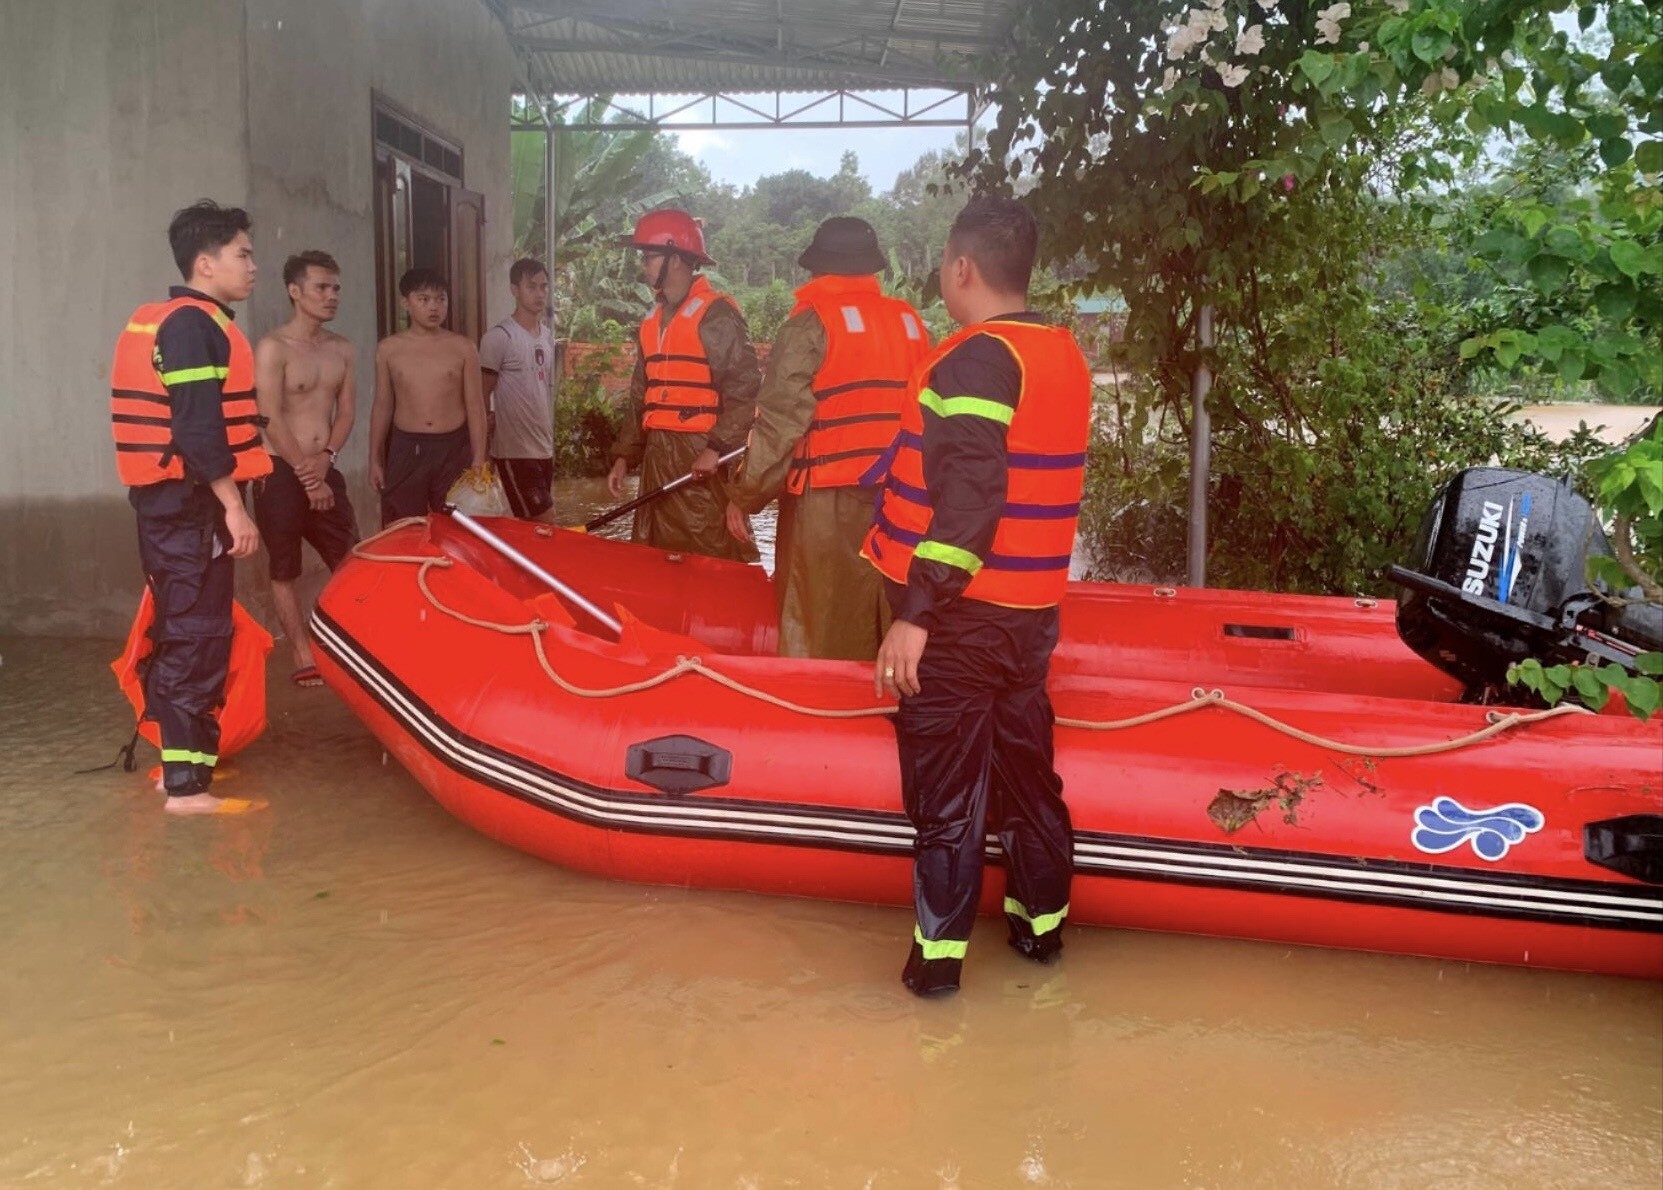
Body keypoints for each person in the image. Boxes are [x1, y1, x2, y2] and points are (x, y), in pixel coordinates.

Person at [862, 196, 1093, 997]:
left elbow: (970, 499)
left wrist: (915, 615)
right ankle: (1040, 936)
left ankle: (935, 972)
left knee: (949, 798)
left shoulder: (975, 359)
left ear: (960, 268)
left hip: (963, 620)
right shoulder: (1058, 351)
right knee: (1029, 781)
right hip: (1029, 620)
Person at [109, 199, 271, 815]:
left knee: (192, 631)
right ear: (205, 264)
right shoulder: (192, 326)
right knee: (196, 636)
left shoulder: (178, 322)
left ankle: (187, 766)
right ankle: (184, 790)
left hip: (174, 508)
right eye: (243, 254)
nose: (253, 266)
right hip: (192, 510)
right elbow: (200, 430)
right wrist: (234, 508)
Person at [724, 217, 931, 659]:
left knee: (815, 619)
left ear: (818, 269)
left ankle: (818, 707)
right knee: (886, 608)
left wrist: (745, 495)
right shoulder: (910, 322)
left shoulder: (809, 325)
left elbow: (780, 424)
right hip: (903, 501)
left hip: (826, 502)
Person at [606, 209, 760, 562]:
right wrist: (623, 456)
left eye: (649, 257)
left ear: (674, 259)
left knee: (708, 546)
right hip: (659, 451)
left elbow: (746, 388)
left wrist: (716, 448)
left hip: (700, 451)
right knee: (655, 549)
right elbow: (639, 394)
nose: (643, 266)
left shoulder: (716, 314)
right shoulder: (653, 318)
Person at [253, 250, 359, 687]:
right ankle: (301, 652)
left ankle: (357, 646)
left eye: (335, 288)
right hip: (279, 469)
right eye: (322, 287)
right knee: (284, 569)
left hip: (322, 463)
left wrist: (327, 458)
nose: (332, 296)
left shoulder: (342, 349)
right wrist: (305, 472)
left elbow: (348, 412)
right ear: (295, 292)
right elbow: (270, 417)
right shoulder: (273, 348)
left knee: (352, 561)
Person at [369, 268, 487, 527]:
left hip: (453, 448)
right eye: (424, 299)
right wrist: (375, 459)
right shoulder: (389, 349)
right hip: (406, 447)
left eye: (440, 299)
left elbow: (475, 407)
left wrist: (479, 459)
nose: (434, 307)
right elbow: (383, 406)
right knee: (401, 527)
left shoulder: (463, 347)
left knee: (456, 529)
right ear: (406, 303)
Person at [481, 258, 558, 521]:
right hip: (514, 451)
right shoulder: (499, 337)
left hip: (543, 447)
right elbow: (481, 396)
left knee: (532, 531)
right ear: (515, 289)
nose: (539, 293)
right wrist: (482, 453)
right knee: (546, 522)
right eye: (531, 287)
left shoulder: (547, 336)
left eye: (543, 286)